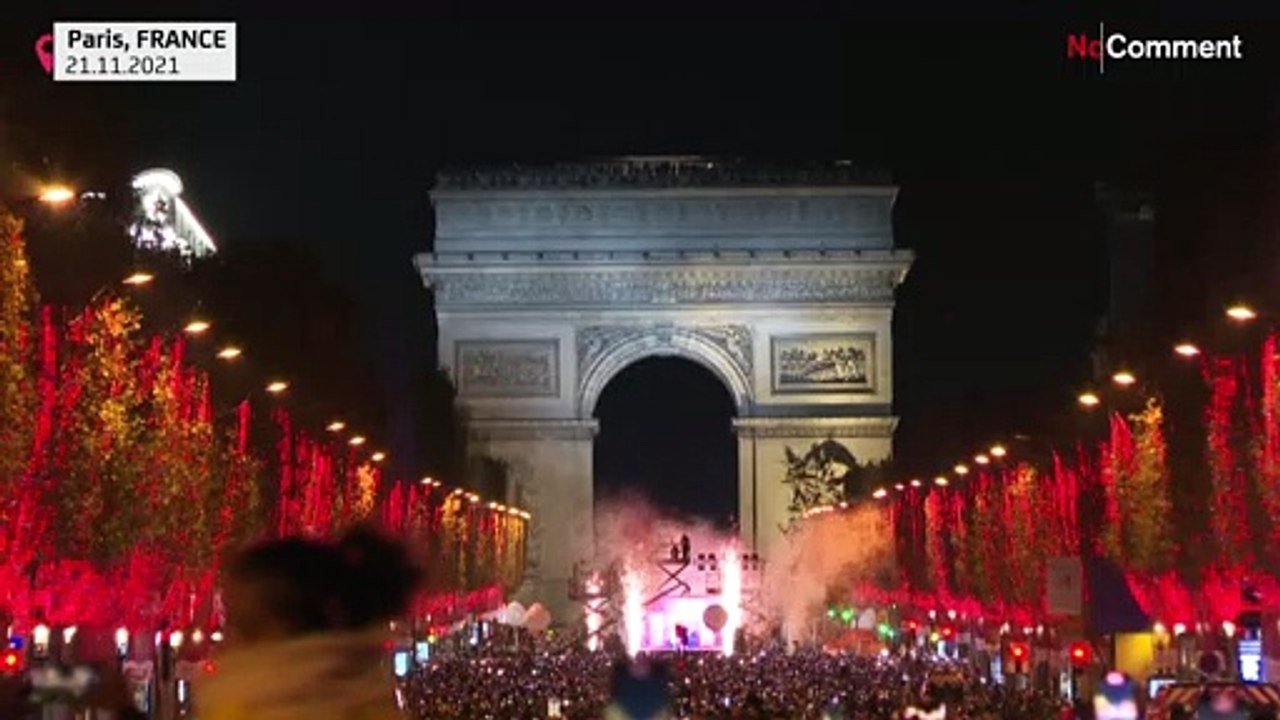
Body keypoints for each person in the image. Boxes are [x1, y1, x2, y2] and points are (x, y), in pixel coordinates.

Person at [195, 524, 421, 720]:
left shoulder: (245, 706)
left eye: (242, 626)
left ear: (285, 628)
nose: (224, 642)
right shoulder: (370, 703)